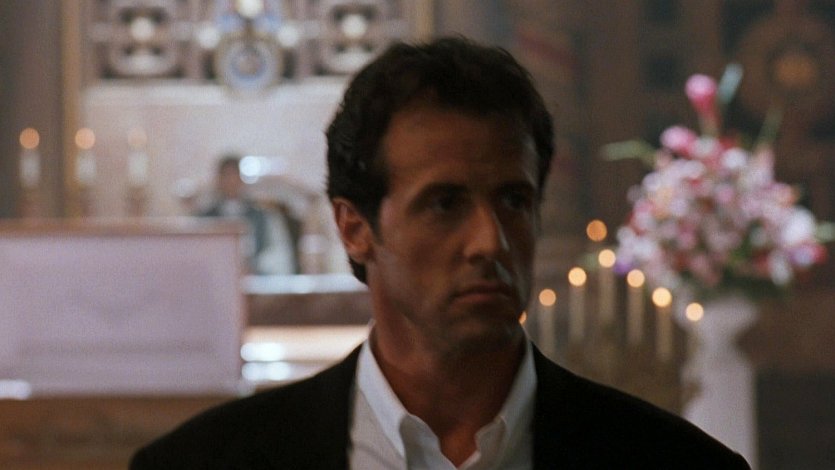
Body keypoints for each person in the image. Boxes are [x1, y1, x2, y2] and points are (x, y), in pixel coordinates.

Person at [130, 37, 750, 469]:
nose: (490, 242)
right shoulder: (207, 462)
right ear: (355, 228)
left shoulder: (670, 462)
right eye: (445, 204)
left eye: (513, 200)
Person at [198, 154, 295, 275]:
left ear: (241, 180)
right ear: (218, 180)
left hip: (255, 279)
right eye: (226, 176)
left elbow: (278, 256)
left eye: (234, 175)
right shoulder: (204, 219)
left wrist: (254, 267)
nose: (230, 181)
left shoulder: (262, 216)